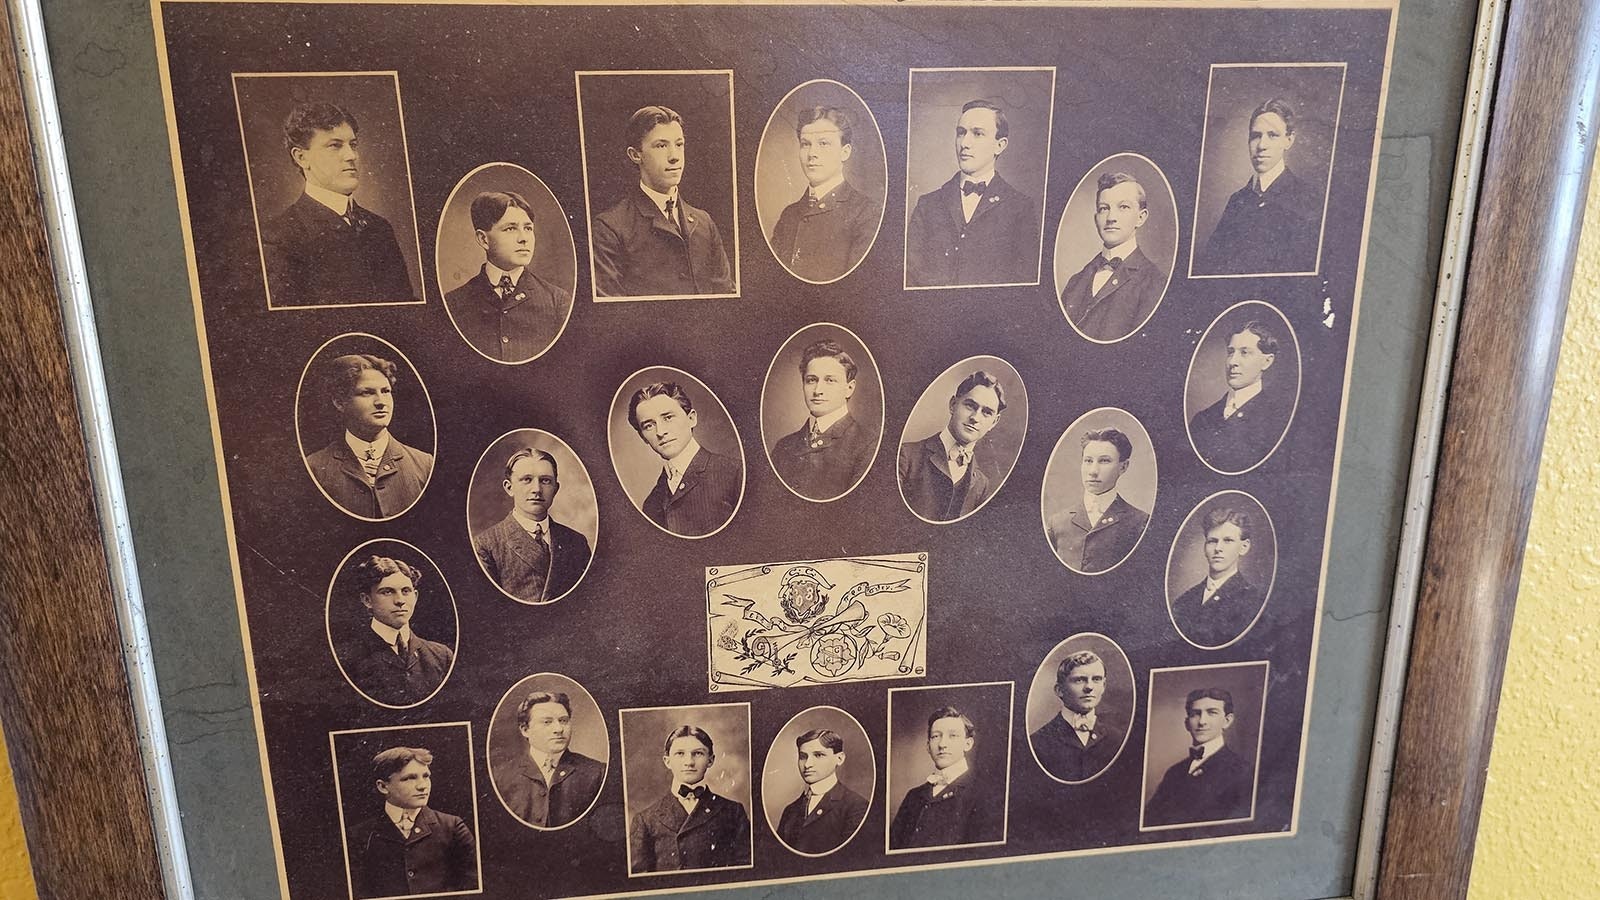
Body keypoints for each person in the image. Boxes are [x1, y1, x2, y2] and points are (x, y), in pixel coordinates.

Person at [260, 101, 415, 307]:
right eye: (334, 145)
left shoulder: (380, 228)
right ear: (301, 157)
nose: (352, 156)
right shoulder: (277, 237)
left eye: (353, 145)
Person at [592, 105, 734, 297]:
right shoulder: (610, 228)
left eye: (679, 144)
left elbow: (727, 297)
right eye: (661, 145)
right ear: (636, 155)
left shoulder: (704, 222)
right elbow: (613, 311)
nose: (674, 156)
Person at [905, 99, 1040, 287]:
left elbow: (1024, 281)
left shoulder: (1020, 207)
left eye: (978, 134)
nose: (965, 143)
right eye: (961, 133)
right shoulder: (928, 204)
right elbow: (910, 273)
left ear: (999, 145)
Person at [1195, 98, 1321, 275]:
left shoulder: (1307, 197)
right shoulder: (1237, 200)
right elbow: (1210, 266)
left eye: (1272, 135)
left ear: (1289, 140)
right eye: (1255, 136)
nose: (1262, 146)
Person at [444, 191, 570, 362]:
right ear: (483, 239)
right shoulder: (453, 303)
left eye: (528, 228)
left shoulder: (557, 301)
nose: (523, 238)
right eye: (510, 229)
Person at [304, 353, 433, 519]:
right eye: (367, 393)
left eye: (386, 391)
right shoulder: (314, 468)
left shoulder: (424, 464)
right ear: (340, 402)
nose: (381, 402)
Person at [768, 107, 880, 282]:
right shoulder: (789, 214)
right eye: (805, 144)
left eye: (823, 143)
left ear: (845, 152)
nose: (812, 154)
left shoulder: (867, 213)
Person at [347, 747, 476, 898]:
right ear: (383, 786)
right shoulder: (358, 835)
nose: (422, 786)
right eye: (410, 778)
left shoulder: (452, 827)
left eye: (426, 776)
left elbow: (472, 886)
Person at [473, 447, 593, 603]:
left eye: (545, 481)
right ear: (509, 488)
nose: (537, 489)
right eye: (527, 480)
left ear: (555, 489)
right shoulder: (486, 545)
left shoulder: (576, 542)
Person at [1059, 171, 1167, 341]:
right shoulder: (1076, 281)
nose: (1111, 218)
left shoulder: (1155, 283)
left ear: (1141, 217)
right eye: (1104, 209)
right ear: (1096, 218)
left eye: (1123, 207)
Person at [333, 555, 453, 706]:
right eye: (387, 592)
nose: (400, 600)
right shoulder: (345, 659)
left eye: (406, 591)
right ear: (367, 600)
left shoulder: (441, 656)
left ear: (415, 597)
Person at [629, 725, 751, 873]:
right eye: (680, 753)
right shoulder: (645, 820)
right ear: (667, 761)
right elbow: (641, 883)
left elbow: (745, 871)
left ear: (711, 760)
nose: (689, 762)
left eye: (698, 753)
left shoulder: (733, 811)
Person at [627, 381, 742, 537]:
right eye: (649, 426)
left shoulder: (734, 473)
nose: (660, 432)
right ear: (643, 438)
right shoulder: (651, 504)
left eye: (668, 418)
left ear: (691, 418)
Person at [769, 340, 876, 500]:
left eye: (830, 380)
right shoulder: (783, 446)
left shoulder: (868, 445)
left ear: (849, 388)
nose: (818, 390)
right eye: (811, 380)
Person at [898, 370, 1007, 522]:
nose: (975, 418)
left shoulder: (982, 484)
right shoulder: (906, 455)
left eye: (987, 412)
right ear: (953, 405)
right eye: (970, 406)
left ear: (994, 422)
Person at [888, 706, 1003, 850]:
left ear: (968, 744)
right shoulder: (913, 796)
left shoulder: (985, 793)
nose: (942, 744)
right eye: (936, 736)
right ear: (928, 746)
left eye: (953, 736)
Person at [1188, 319, 1293, 472]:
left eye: (1244, 352)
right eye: (1231, 352)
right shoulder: (1202, 419)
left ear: (1267, 362)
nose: (1233, 361)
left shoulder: (1279, 419)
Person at [492, 690, 607, 829]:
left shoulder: (597, 773)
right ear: (525, 730)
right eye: (547, 722)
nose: (558, 729)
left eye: (563, 721)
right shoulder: (500, 777)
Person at [1046, 428, 1151, 573]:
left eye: (1104, 461)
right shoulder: (1057, 522)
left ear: (1123, 467)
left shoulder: (1140, 522)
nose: (1093, 471)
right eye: (1088, 461)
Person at [1144, 688, 1254, 826]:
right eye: (1195, 714)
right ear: (1186, 723)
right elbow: (1149, 820)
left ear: (1227, 721)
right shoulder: (1174, 772)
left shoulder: (1242, 771)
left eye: (1212, 713)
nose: (1202, 721)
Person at [1171, 507, 1266, 646]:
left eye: (1227, 540)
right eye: (1212, 541)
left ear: (1244, 547)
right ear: (1205, 547)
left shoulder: (1254, 601)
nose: (1218, 548)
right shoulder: (1183, 602)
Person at [1030, 650, 1122, 783]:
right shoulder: (1037, 743)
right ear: (1059, 690)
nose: (1089, 687)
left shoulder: (1117, 739)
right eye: (1079, 680)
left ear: (1103, 686)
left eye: (1096, 679)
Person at [775, 728, 870, 855]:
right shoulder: (790, 810)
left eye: (818, 755)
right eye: (803, 757)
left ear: (839, 759)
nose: (808, 764)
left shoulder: (856, 806)